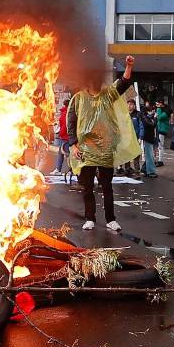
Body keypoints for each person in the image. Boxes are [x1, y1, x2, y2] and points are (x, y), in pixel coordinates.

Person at [67, 55, 138, 232]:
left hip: (106, 149)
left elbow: (123, 83)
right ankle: (89, 218)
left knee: (107, 186)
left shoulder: (108, 94)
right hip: (85, 149)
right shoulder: (79, 98)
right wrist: (73, 144)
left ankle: (111, 219)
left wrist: (129, 66)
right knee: (87, 186)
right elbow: (71, 121)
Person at [139, 98, 158, 178]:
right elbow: (151, 124)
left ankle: (145, 170)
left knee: (149, 155)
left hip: (150, 137)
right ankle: (151, 171)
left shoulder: (146, 116)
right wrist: (155, 118)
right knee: (150, 155)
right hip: (147, 137)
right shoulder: (144, 116)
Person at [51, 97, 70, 176]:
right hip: (66, 136)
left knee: (63, 153)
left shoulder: (64, 113)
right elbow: (66, 126)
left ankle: (59, 169)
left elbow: (63, 125)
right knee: (68, 154)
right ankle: (68, 170)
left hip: (64, 136)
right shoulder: (68, 113)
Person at [154, 99, 170, 168]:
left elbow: (159, 117)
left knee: (160, 145)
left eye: (158, 104)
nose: (157, 106)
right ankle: (155, 159)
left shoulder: (167, 110)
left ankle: (160, 161)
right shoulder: (160, 109)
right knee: (156, 145)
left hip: (162, 129)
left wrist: (158, 109)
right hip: (157, 128)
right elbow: (155, 117)